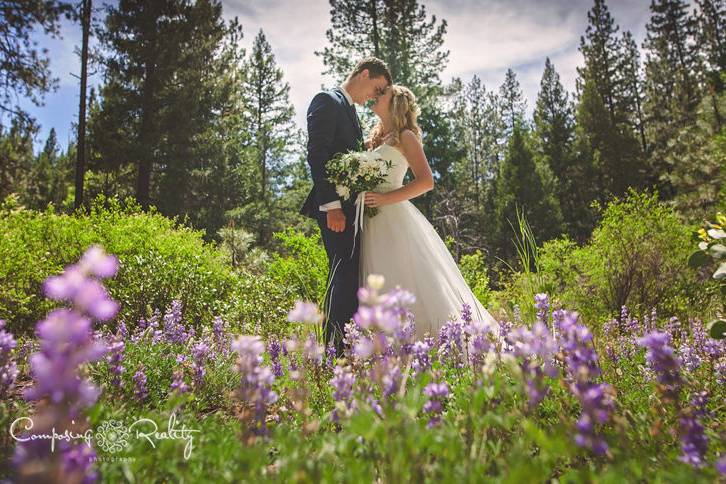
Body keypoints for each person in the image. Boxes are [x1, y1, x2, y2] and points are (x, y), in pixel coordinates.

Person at [361, 85, 498, 340]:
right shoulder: (375, 138)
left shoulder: (406, 137)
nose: (375, 96)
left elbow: (426, 181)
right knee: (378, 284)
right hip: (371, 222)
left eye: (382, 94)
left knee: (403, 280)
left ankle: (430, 344)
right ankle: (386, 349)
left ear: (395, 103)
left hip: (393, 218)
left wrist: (383, 198)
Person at [300, 57, 392, 355]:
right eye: (376, 88)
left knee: (350, 274)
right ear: (364, 74)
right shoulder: (327, 100)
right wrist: (332, 206)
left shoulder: (350, 111)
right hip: (334, 208)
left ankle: (345, 345)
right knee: (342, 274)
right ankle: (334, 350)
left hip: (351, 208)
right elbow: (317, 154)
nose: (374, 97)